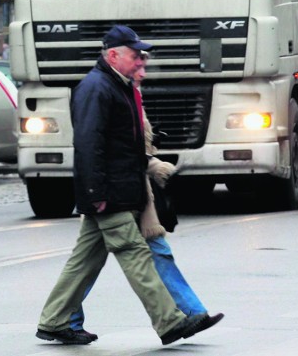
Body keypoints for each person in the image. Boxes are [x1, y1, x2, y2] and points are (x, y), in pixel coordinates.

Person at [36, 25, 208, 346]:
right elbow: (89, 146)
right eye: (134, 55)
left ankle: (54, 320)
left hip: (117, 189)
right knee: (135, 254)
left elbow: (125, 145)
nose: (140, 61)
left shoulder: (116, 85)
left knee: (85, 260)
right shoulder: (97, 88)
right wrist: (96, 194)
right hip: (107, 193)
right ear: (113, 55)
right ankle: (169, 321)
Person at [69, 56, 224, 338]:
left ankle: (190, 312)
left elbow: (130, 149)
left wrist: (154, 166)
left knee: (94, 260)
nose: (143, 71)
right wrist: (97, 192)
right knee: (116, 258)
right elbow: (95, 147)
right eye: (138, 65)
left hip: (131, 189)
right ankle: (176, 318)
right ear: (118, 60)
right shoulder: (104, 91)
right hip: (114, 192)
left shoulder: (128, 94)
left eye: (144, 66)